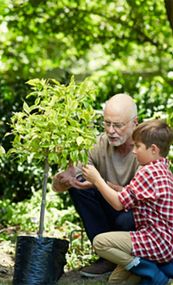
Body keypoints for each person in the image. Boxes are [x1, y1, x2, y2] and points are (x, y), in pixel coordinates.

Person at [52, 93, 139, 277]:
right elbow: (57, 187)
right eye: (107, 123)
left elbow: (147, 200)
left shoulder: (146, 149)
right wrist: (64, 180)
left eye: (118, 125)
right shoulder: (98, 144)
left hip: (137, 217)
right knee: (79, 186)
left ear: (135, 123)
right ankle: (107, 258)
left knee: (126, 218)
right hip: (111, 210)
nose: (111, 131)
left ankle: (132, 259)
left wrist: (100, 184)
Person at [82, 119, 173, 285]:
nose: (134, 152)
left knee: (100, 242)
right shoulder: (162, 169)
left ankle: (151, 272)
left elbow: (118, 204)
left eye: (137, 146)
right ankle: (146, 270)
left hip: (155, 240)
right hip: (164, 241)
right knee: (115, 281)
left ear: (153, 149)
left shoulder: (148, 172)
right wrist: (104, 184)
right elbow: (129, 194)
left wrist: (97, 180)